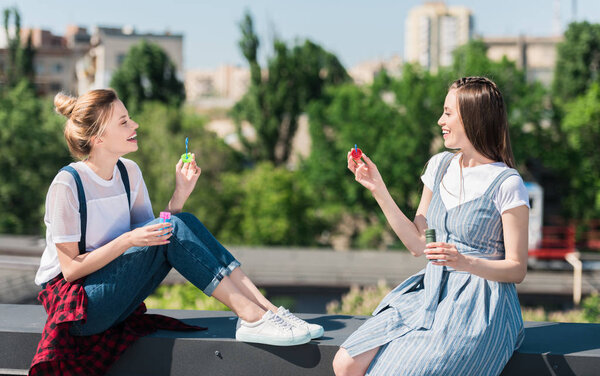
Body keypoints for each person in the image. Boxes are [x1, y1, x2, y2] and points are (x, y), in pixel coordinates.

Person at [31, 89, 323, 374]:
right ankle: (251, 317)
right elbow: (70, 270)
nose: (135, 125)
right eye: (124, 122)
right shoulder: (67, 184)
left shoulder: (128, 172)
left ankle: (267, 311)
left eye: (129, 118)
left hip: (112, 290)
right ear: (98, 138)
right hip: (78, 307)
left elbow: (157, 238)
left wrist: (179, 196)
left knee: (184, 221)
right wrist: (128, 240)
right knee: (173, 226)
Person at [332, 77, 529, 376]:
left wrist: (465, 262)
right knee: (345, 363)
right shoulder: (439, 166)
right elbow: (417, 245)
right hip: (431, 291)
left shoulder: (508, 183)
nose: (441, 121)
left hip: (478, 305)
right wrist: (378, 188)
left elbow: (517, 268)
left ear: (474, 117)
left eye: (448, 113)